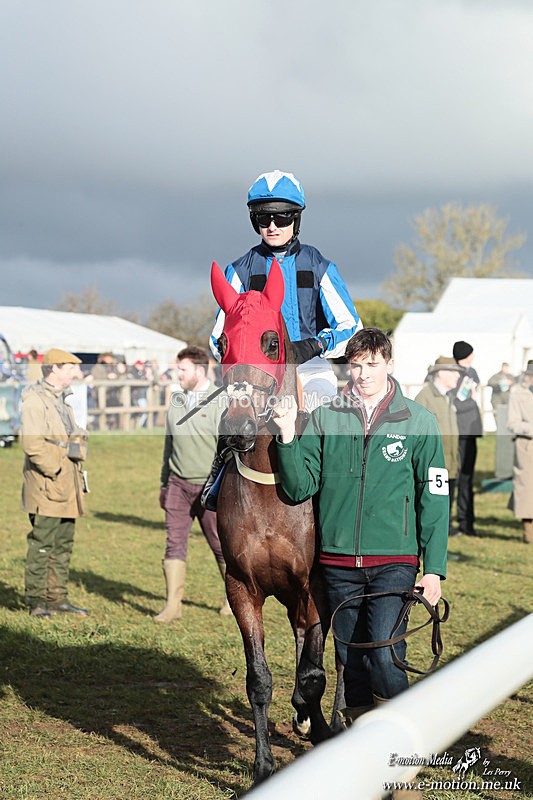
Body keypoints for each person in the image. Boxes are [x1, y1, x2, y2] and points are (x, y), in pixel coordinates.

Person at [273, 328, 448, 732]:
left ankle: (404, 745)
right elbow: (299, 487)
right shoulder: (326, 417)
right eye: (355, 365)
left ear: (389, 364)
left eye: (372, 364)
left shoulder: (419, 421)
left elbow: (435, 497)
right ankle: (366, 749)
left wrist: (434, 569)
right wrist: (287, 436)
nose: (363, 373)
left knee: (385, 654)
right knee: (351, 661)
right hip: (338, 564)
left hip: (394, 561)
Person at [204, 169, 362, 507]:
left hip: (309, 367)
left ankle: (338, 499)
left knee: (327, 414)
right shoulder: (240, 270)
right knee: (232, 413)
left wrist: (316, 344)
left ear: (296, 219)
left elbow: (352, 326)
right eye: (264, 218)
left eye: (282, 217)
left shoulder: (319, 266)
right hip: (257, 371)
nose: (273, 226)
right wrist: (245, 361)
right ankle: (217, 478)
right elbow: (217, 337)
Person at [157, 346, 231, 622]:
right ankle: (172, 606)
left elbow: (229, 450)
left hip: (211, 488)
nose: (178, 375)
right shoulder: (176, 402)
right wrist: (164, 483)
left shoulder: (221, 402)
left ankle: (232, 598)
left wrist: (223, 488)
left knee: (220, 544)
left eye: (183, 370)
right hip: (177, 485)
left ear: (200, 370)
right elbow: (169, 445)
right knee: (173, 543)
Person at [21, 348, 89, 618]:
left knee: (63, 543)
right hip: (47, 484)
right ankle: (37, 601)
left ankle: (57, 598)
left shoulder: (63, 400)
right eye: (70, 367)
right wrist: (56, 468)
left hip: (67, 484)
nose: (75, 373)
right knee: (42, 543)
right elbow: (32, 444)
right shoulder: (35, 400)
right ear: (55, 368)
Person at [415, 356, 463, 537]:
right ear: (442, 373)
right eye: (454, 372)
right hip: (434, 465)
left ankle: (446, 530)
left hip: (450, 463)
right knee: (431, 507)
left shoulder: (447, 397)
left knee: (446, 503)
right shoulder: (425, 397)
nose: (458, 376)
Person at [452, 340, 483, 536]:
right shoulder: (455, 374)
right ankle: (456, 521)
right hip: (459, 432)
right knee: (456, 478)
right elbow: (456, 403)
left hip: (470, 432)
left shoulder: (471, 373)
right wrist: (471, 399)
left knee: (467, 478)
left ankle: (466, 521)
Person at [506, 360, 533, 544]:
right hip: (526, 446)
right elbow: (512, 423)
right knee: (526, 489)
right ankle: (528, 532)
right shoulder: (517, 393)